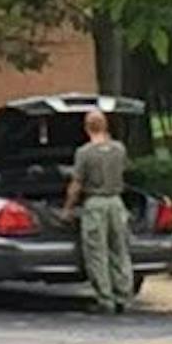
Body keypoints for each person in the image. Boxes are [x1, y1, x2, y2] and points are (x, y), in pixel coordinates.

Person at [64, 107, 135, 314]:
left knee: (97, 252)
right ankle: (125, 296)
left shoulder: (84, 153)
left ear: (86, 128)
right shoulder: (119, 149)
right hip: (116, 203)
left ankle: (105, 299)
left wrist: (68, 208)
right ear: (106, 126)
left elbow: (76, 184)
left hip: (95, 204)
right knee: (120, 250)